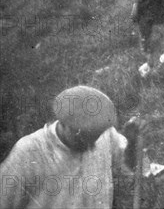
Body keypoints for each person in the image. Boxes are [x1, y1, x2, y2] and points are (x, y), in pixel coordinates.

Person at [0, 85, 143, 209]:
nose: (91, 147)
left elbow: (132, 168)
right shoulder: (29, 152)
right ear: (64, 123)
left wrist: (132, 142)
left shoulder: (104, 135)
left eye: (95, 137)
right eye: (82, 138)